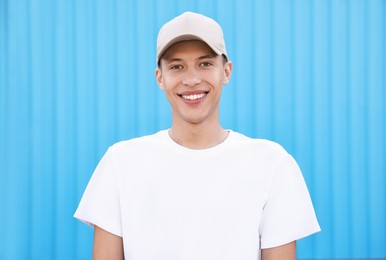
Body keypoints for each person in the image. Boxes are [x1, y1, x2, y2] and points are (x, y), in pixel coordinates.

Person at [74, 11, 320, 260]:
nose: (191, 80)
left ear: (226, 71)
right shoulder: (121, 163)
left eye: (205, 64)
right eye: (177, 66)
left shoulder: (272, 164)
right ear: (160, 77)